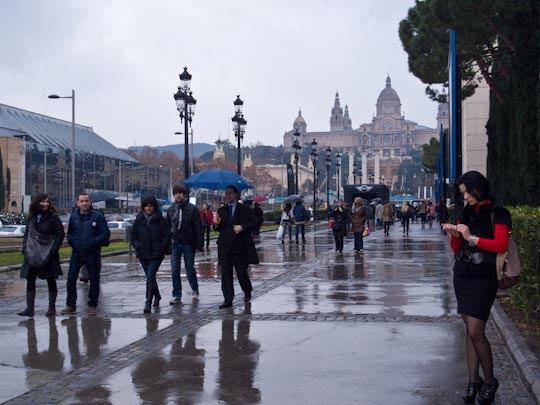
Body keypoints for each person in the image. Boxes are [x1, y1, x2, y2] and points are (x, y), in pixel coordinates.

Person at [442, 171, 510, 404]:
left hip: (484, 276)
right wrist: (454, 234)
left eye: (468, 193)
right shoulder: (465, 212)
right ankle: (473, 381)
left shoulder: (498, 213)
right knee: (470, 331)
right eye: (463, 194)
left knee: (475, 331)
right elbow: (456, 249)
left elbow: (500, 244)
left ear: (478, 189)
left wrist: (471, 238)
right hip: (463, 275)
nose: (466, 198)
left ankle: (489, 380)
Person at [61, 193, 110, 315]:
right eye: (82, 201)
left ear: (90, 202)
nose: (84, 203)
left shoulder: (98, 216)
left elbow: (105, 233)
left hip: (92, 253)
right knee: (71, 279)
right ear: (78, 203)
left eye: (87, 201)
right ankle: (70, 305)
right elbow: (70, 233)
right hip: (77, 253)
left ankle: (92, 305)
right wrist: (73, 242)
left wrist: (94, 242)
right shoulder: (73, 217)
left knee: (94, 279)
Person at [18, 193, 65, 317]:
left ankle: (51, 308)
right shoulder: (32, 218)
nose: (45, 204)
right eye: (43, 202)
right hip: (32, 253)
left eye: (47, 202)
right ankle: (29, 308)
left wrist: (53, 249)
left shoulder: (53, 217)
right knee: (30, 280)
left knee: (51, 280)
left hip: (49, 254)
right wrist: (25, 248)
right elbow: (27, 234)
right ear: (37, 203)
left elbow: (60, 234)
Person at [215, 185, 259, 309]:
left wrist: (242, 227)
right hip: (225, 247)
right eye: (226, 193)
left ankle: (247, 290)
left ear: (236, 195)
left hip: (239, 247)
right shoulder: (222, 210)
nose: (228, 196)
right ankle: (228, 298)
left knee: (241, 272)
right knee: (226, 273)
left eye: (230, 193)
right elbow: (218, 228)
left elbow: (254, 223)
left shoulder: (245, 209)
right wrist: (216, 224)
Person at [131, 196, 171, 313]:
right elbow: (133, 235)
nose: (148, 208)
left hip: (156, 254)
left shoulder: (161, 221)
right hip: (143, 253)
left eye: (150, 206)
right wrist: (137, 245)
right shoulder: (138, 220)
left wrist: (162, 247)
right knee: (150, 277)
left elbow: (167, 235)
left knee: (150, 276)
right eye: (146, 206)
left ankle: (147, 302)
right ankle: (157, 295)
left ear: (154, 207)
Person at [166, 185, 204, 304]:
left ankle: (194, 287)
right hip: (175, 242)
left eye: (180, 193)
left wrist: (199, 244)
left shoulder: (192, 209)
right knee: (175, 269)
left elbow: (198, 227)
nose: (178, 195)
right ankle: (177, 294)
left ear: (184, 194)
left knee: (189, 268)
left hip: (188, 242)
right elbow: (167, 227)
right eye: (175, 193)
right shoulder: (171, 209)